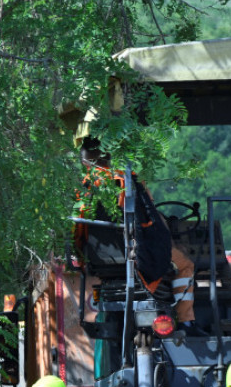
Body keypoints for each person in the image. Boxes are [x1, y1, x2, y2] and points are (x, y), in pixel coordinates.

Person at [76, 138, 198, 332]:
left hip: (96, 257)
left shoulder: (83, 189)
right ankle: (186, 320)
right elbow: (151, 220)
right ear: (107, 156)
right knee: (186, 264)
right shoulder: (127, 182)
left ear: (85, 161)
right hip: (136, 253)